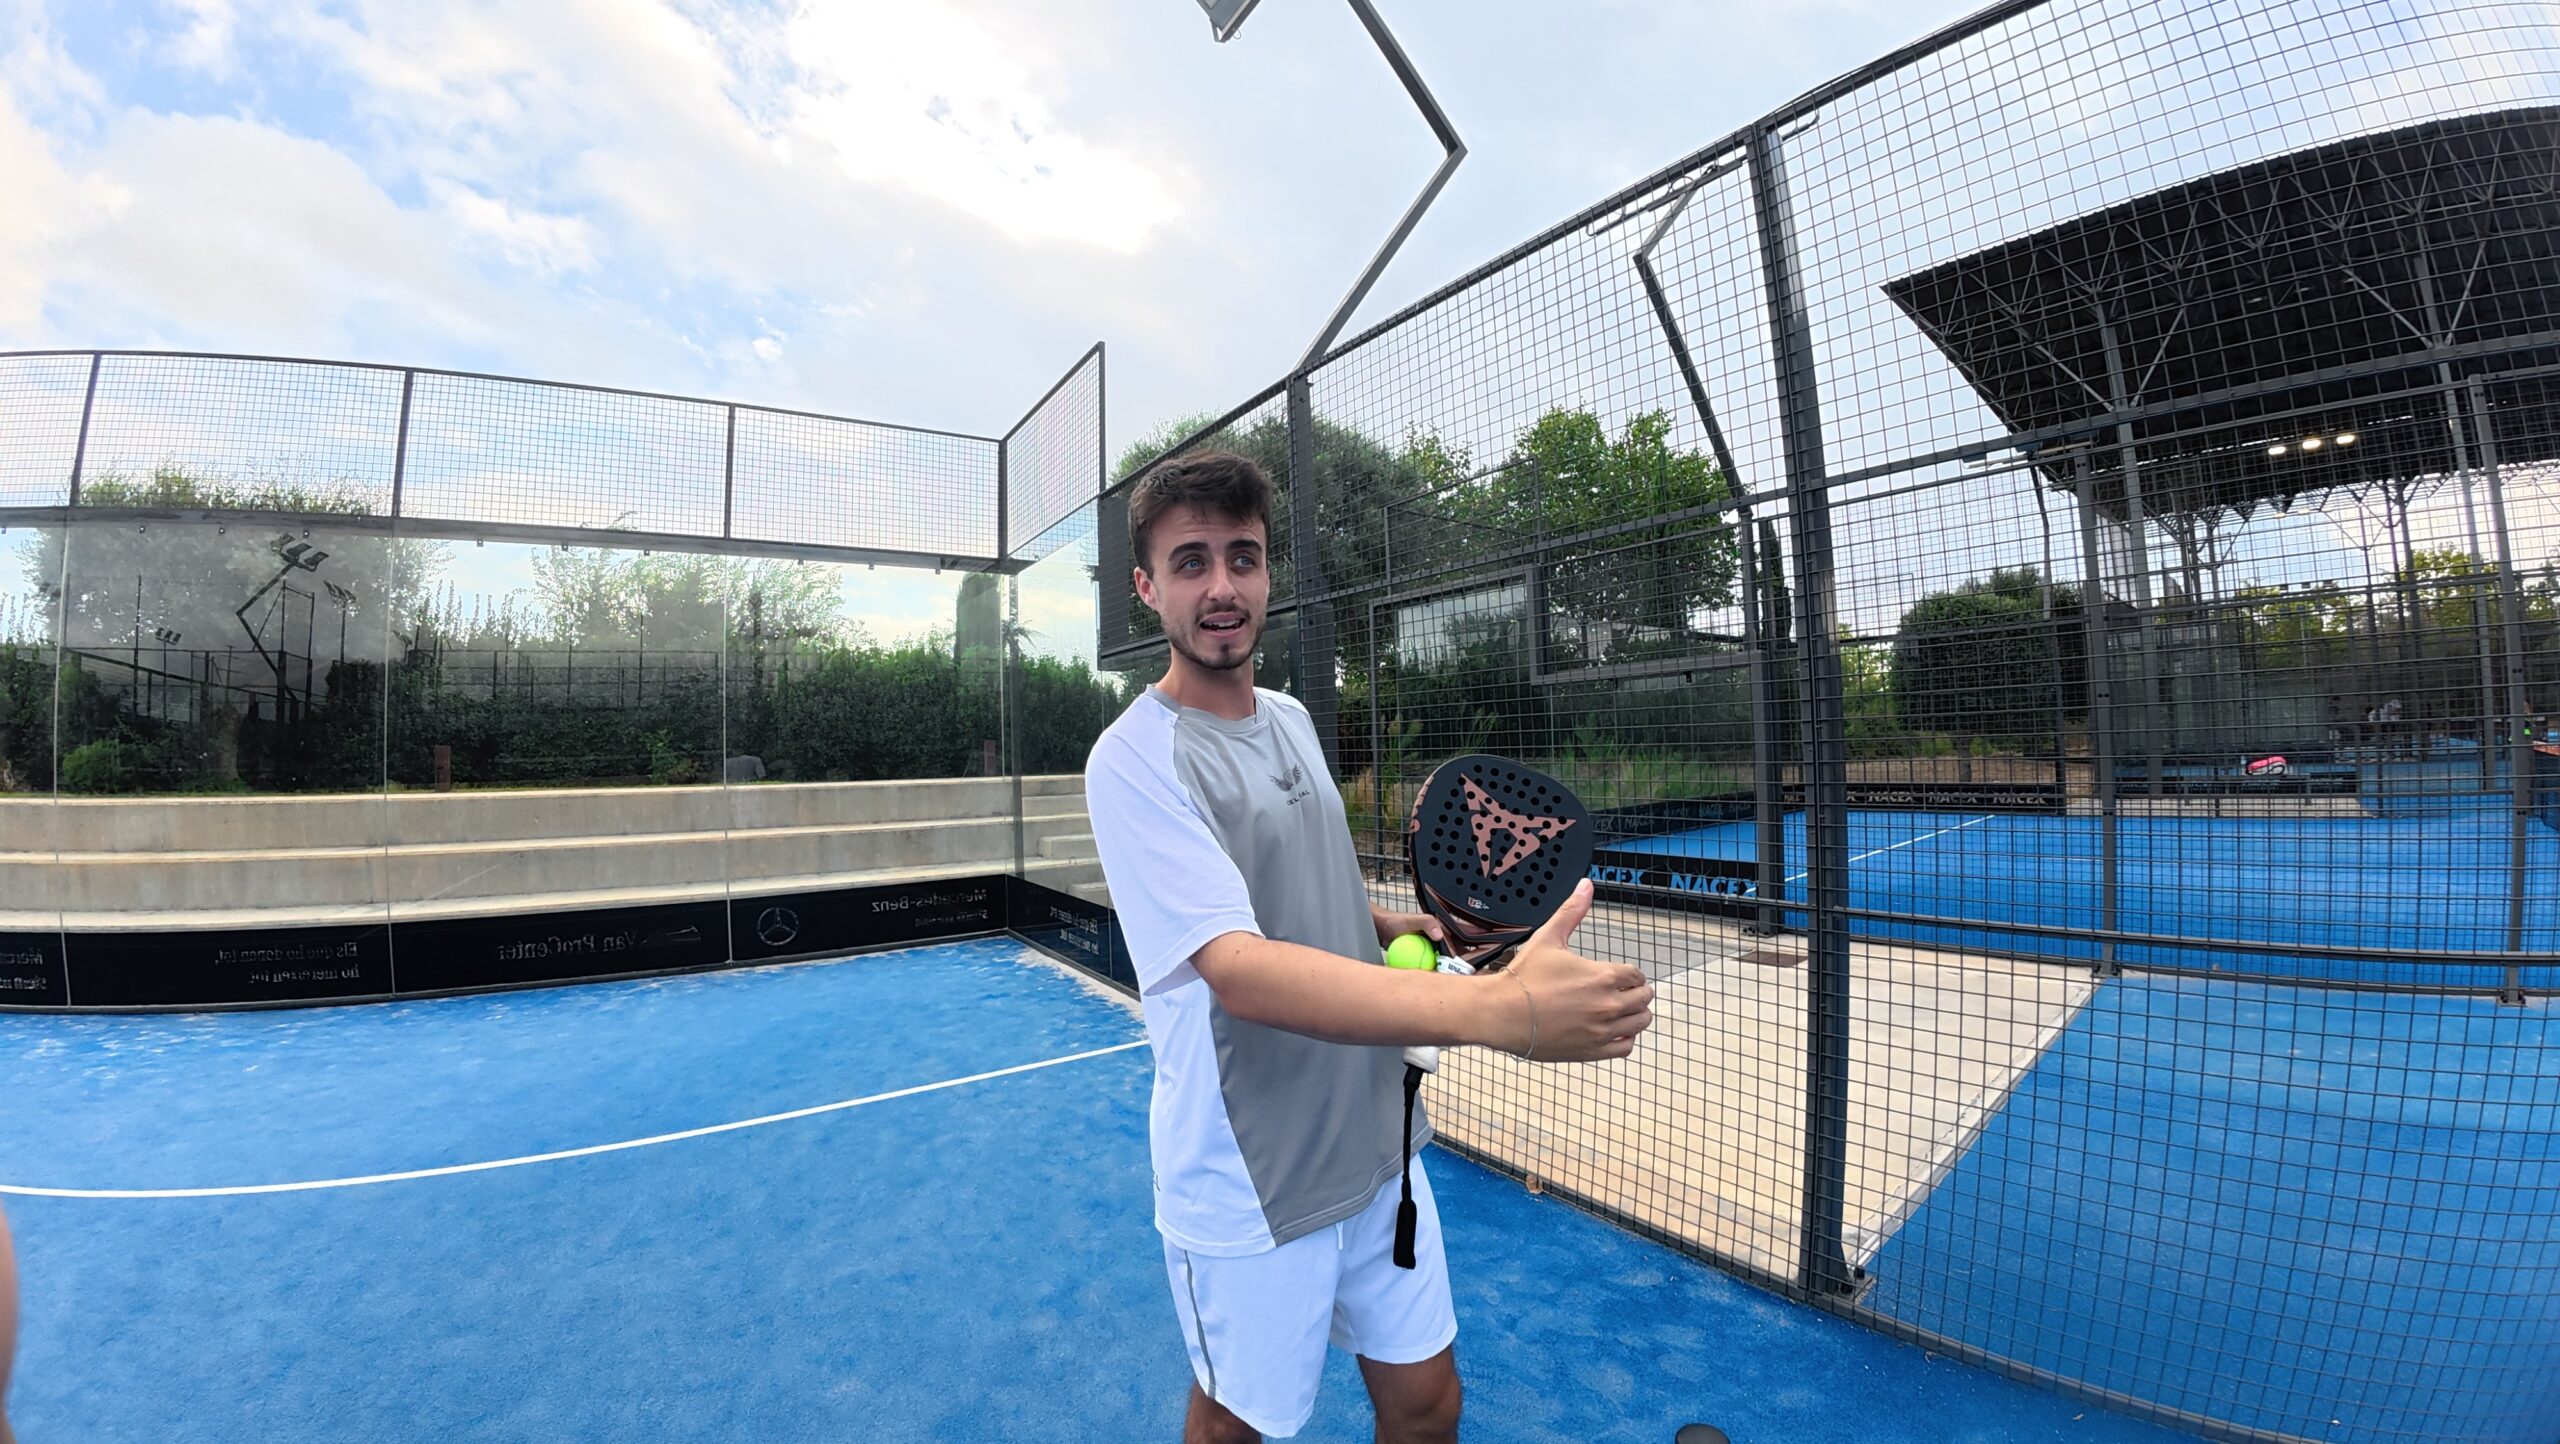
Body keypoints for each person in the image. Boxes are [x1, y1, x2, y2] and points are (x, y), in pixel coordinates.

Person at [1084, 451, 1655, 1444]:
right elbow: (1240, 969)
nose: (1221, 587)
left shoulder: (1294, 718)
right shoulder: (1132, 760)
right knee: (1236, 1426)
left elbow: (1307, 875)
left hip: (1377, 1143)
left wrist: (1389, 924)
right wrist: (1505, 1009)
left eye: (1242, 558)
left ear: (1269, 574)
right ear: (1147, 587)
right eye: (1190, 562)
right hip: (1251, 1177)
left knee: (1427, 1405)